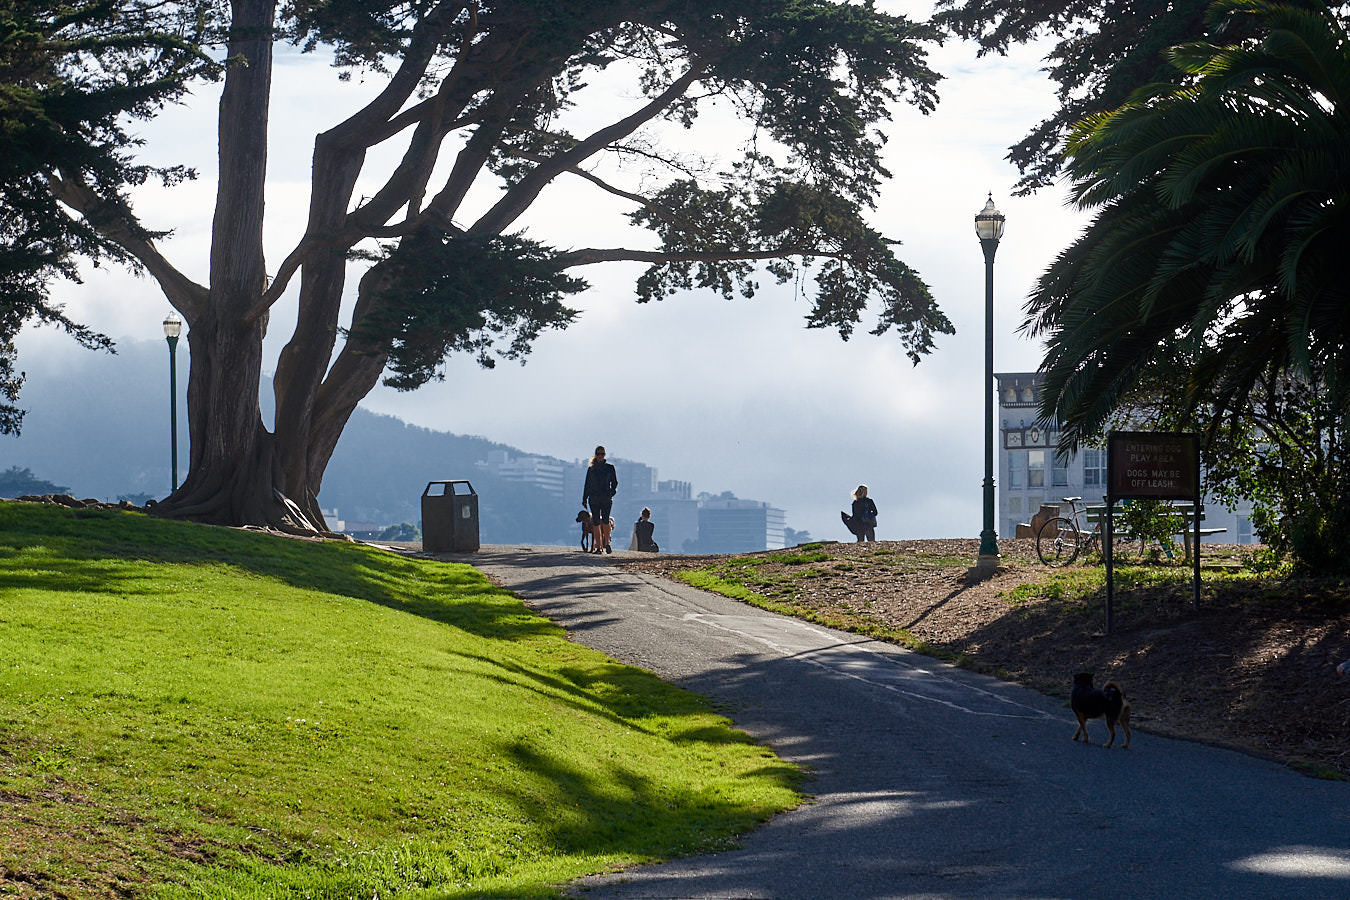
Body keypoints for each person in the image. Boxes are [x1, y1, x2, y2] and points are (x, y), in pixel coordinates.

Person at [581, 445, 618, 553]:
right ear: (595, 455)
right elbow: (587, 485)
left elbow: (615, 482)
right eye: (598, 454)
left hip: (606, 498)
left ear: (604, 455)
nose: (600, 456)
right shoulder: (591, 469)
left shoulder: (610, 468)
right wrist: (584, 499)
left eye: (602, 454)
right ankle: (598, 547)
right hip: (594, 498)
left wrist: (612, 492)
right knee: (596, 522)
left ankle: (607, 543)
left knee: (605, 521)